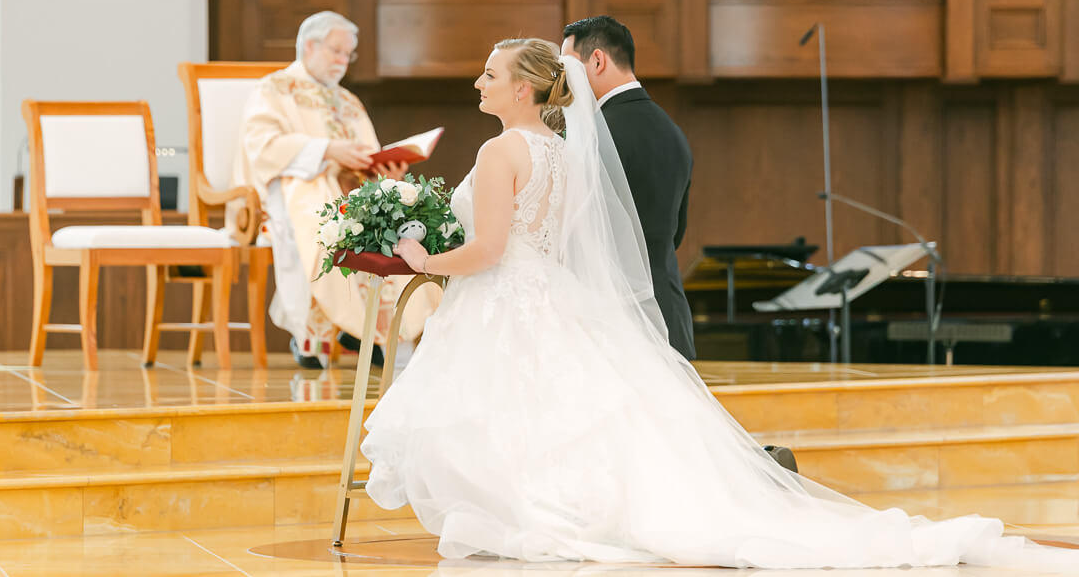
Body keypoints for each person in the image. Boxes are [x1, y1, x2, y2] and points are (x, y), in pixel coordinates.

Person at [360, 37, 1077, 570]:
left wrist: (424, 259)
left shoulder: (498, 153)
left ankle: (536, 512)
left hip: (506, 304)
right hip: (555, 298)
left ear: (521, 89)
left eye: (490, 73)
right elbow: (544, 243)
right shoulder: (562, 151)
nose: (477, 81)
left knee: (514, 416)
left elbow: (488, 251)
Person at [230, 11, 438, 368]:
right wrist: (327, 151)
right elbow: (261, 146)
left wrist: (384, 169)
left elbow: (366, 156)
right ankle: (329, 333)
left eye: (348, 55)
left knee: (391, 212)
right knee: (322, 215)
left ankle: (367, 330)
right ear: (310, 45)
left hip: (348, 189)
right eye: (336, 51)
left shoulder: (348, 101)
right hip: (295, 190)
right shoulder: (274, 89)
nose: (343, 62)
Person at [561, 15, 695, 360]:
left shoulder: (593, 136)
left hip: (616, 322)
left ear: (598, 60)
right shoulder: (673, 132)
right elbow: (675, 233)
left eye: (567, 67)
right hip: (670, 314)